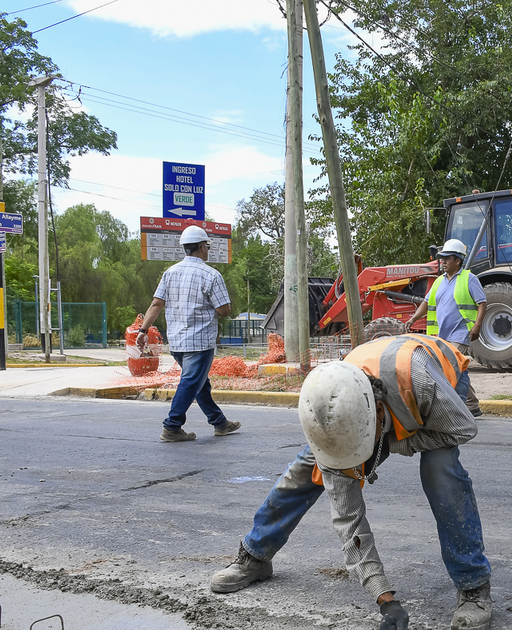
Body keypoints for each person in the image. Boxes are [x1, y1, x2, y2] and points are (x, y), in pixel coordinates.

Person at [209, 334, 493, 630]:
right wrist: (385, 600)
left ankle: (473, 585)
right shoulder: (331, 403)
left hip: (436, 373)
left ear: (379, 414)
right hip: (377, 389)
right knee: (305, 470)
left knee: (440, 469)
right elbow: (349, 519)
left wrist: (393, 444)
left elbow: (462, 428)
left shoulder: (422, 384)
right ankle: (255, 554)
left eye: (360, 445)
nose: (352, 460)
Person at [137, 225, 239, 442]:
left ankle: (220, 422)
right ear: (202, 247)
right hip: (199, 341)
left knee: (199, 382)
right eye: (207, 246)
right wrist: (223, 306)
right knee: (191, 382)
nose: (208, 250)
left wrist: (143, 330)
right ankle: (172, 426)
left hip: (177, 342)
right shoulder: (211, 275)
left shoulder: (170, 273)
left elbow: (156, 304)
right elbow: (223, 310)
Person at [405, 238, 486, 416]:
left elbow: (482, 302)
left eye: (447, 258)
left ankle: (458, 407)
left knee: (449, 366)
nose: (443, 261)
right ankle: (472, 404)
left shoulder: (469, 279)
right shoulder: (438, 281)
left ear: (458, 260)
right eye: (442, 258)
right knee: (458, 367)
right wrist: (413, 319)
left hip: (461, 332)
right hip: (442, 335)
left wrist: (477, 326)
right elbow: (426, 303)